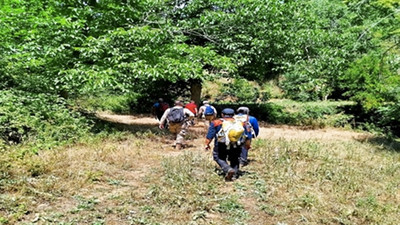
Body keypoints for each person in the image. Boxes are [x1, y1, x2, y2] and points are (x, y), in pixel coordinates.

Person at [205, 108, 251, 181]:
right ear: (234, 115)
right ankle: (234, 175)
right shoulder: (241, 123)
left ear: (222, 114)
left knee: (218, 157)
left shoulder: (216, 122)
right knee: (235, 158)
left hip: (221, 144)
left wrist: (207, 144)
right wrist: (247, 145)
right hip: (236, 144)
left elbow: (210, 135)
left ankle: (228, 169)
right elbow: (247, 136)